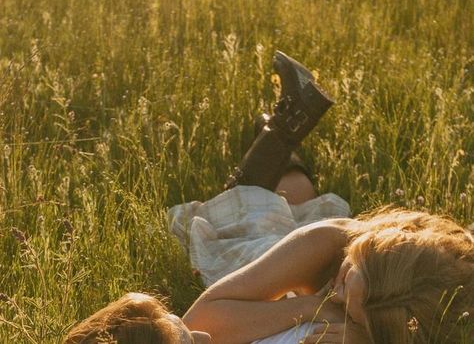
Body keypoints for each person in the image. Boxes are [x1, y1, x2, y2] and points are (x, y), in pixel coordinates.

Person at [65, 52, 474, 344]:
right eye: (347, 274)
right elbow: (204, 321)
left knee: (288, 201)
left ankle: (279, 128)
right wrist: (316, 307)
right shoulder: (331, 242)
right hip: (276, 271)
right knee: (259, 216)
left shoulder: (439, 305)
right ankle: (281, 129)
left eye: (348, 303)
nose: (336, 291)